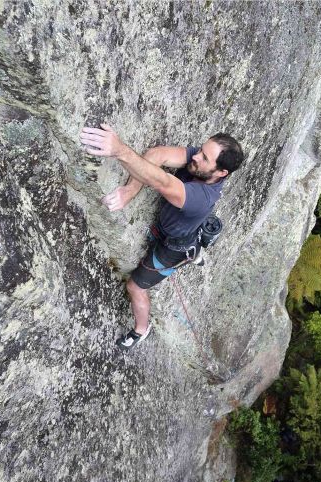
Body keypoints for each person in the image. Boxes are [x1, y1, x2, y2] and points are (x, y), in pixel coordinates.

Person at [78, 124, 244, 349]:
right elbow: (157, 155)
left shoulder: (201, 198)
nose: (195, 156)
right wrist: (130, 190)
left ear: (221, 172)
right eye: (200, 150)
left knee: (135, 287)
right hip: (176, 230)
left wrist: (120, 150)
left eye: (204, 157)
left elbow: (162, 182)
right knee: (186, 234)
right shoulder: (201, 163)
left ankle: (141, 330)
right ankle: (196, 253)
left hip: (172, 249)